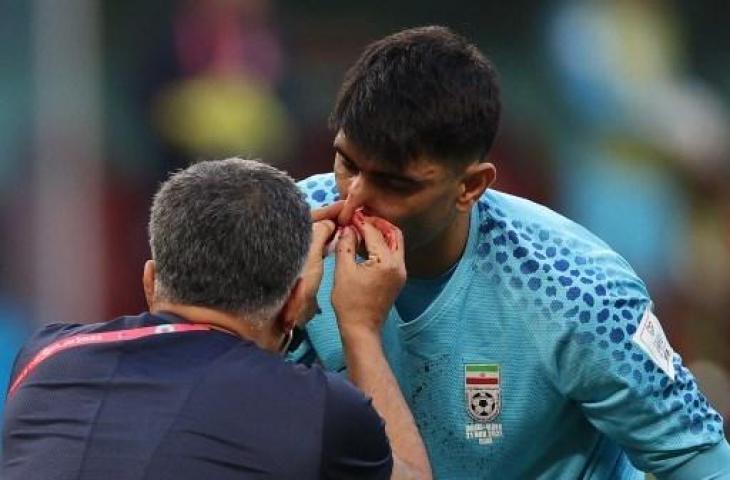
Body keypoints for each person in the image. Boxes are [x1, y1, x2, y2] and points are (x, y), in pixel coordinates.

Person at [293, 26, 730, 479]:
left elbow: (700, 463)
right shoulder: (291, 234)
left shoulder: (577, 291)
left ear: (470, 186)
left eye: (396, 183)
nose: (355, 199)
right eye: (346, 163)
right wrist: (282, 315)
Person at [2, 158, 431, 479]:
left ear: (151, 281)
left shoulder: (46, 358)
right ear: (294, 304)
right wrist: (360, 328)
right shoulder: (322, 409)